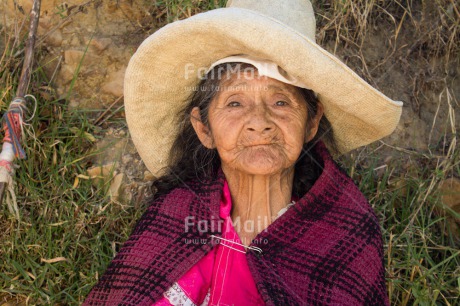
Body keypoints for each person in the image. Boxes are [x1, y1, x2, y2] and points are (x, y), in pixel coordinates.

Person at [84, 0, 403, 305]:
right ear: (204, 128)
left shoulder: (344, 233)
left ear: (311, 122)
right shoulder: (174, 216)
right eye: (235, 103)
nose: (259, 123)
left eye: (280, 102)